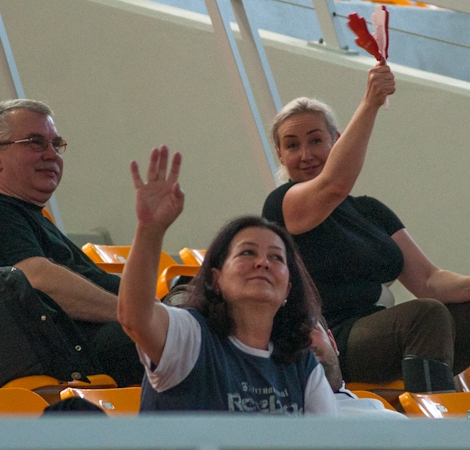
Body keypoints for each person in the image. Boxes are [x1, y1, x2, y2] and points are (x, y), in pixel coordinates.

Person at [262, 64, 470, 401]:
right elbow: (335, 185)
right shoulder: (283, 205)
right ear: (280, 154)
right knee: (425, 315)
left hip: (383, 332)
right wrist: (371, 102)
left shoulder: (370, 210)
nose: (305, 155)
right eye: (292, 146)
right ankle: (434, 432)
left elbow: (428, 280)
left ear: (336, 141)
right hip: (331, 342)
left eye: (316, 141)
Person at [117, 146, 338, 414]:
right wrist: (150, 231)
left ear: (287, 289)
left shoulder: (301, 364)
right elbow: (135, 318)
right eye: (247, 252)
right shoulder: (192, 336)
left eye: (276, 258)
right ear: (216, 279)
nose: (262, 262)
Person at [0, 99, 142, 386]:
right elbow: (37, 279)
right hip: (74, 361)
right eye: (35, 143)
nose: (52, 154)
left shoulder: (36, 219)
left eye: (56, 144)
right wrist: (139, 317)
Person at [309, 319, 406, 418]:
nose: (300, 342)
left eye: (308, 329)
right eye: (291, 337)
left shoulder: (391, 421)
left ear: (333, 342)